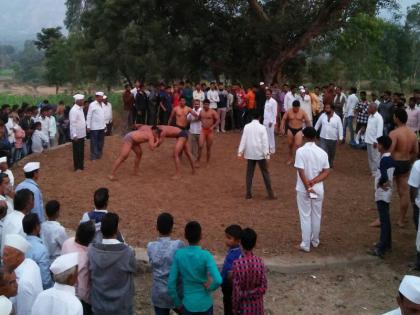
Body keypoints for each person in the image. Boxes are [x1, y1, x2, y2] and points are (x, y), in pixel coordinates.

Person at [168, 221, 222, 315]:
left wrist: (177, 303)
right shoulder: (206, 255)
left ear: (185, 236)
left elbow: (171, 284)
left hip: (188, 304)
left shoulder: (179, 255)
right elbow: (218, 280)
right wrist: (210, 288)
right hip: (205, 304)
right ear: (201, 236)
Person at [88, 212, 136, 315]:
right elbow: (133, 268)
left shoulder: (91, 250)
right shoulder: (127, 252)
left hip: (98, 307)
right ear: (116, 230)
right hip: (121, 307)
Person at [294, 127, 330, 252]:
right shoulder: (322, 152)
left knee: (305, 215)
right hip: (318, 188)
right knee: (316, 214)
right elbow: (326, 171)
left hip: (304, 189)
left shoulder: (300, 151)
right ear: (315, 137)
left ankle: (305, 244)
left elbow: (300, 170)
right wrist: (314, 181)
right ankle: (315, 241)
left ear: (304, 136)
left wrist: (308, 186)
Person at [147, 213, 184, 315]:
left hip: (159, 294)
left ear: (156, 228)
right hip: (177, 293)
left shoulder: (150, 246)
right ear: (172, 228)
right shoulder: (178, 245)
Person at [389, 109, 418, 228]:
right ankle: (401, 219)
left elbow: (389, 151)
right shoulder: (413, 134)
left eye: (394, 116)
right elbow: (416, 152)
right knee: (404, 192)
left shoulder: (394, 133)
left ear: (397, 118)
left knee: (385, 190)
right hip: (406, 163)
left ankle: (381, 219)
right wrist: (408, 160)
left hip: (394, 163)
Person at [368, 136, 395, 259]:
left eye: (378, 144)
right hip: (388, 192)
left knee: (383, 220)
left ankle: (381, 247)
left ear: (382, 146)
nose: (377, 146)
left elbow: (383, 175)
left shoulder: (383, 160)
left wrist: (380, 183)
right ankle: (387, 243)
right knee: (386, 218)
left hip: (382, 192)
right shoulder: (390, 159)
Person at [238, 111, 275, 200]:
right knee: (265, 173)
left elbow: (243, 139)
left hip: (250, 153)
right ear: (260, 117)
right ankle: (270, 194)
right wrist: (267, 155)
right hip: (260, 153)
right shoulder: (262, 128)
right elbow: (265, 142)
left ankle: (248, 193)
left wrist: (240, 152)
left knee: (249, 173)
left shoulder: (247, 127)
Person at [2, 234, 43, 315]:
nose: (2, 258)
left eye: (6, 255)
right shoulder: (30, 262)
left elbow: (24, 312)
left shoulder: (23, 283)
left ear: (18, 257)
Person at [62, 221, 96, 315]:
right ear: (91, 238)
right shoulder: (87, 256)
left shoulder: (67, 242)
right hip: (78, 299)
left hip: (63, 291)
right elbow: (82, 289)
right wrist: (88, 302)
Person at [232, 228, 267, 315]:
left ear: (240, 243)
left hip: (244, 309)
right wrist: (253, 292)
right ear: (255, 244)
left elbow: (236, 293)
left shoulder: (237, 264)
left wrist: (234, 310)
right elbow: (264, 287)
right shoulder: (260, 262)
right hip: (258, 307)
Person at [22, 213, 53, 289]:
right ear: (36, 227)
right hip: (37, 288)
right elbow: (45, 281)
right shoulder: (41, 249)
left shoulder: (21, 244)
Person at [280, 100, 312, 165]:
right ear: (292, 106)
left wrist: (310, 130)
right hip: (290, 129)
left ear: (299, 107)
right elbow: (283, 119)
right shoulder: (289, 111)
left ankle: (298, 160)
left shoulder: (302, 112)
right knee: (290, 145)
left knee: (298, 145)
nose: (295, 109)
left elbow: (307, 121)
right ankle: (290, 158)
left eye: (297, 108)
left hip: (299, 130)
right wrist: (281, 127)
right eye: (294, 108)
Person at [221, 224, 242, 315]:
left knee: (228, 304)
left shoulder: (236, 254)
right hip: (230, 285)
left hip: (230, 286)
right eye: (226, 237)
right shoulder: (234, 250)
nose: (226, 240)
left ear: (238, 241)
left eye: (229, 238)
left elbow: (231, 274)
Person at [314, 104, 343, 168]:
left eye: (327, 108)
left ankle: (330, 163)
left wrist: (340, 137)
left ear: (332, 109)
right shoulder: (323, 116)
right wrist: (313, 133)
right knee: (322, 152)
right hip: (323, 138)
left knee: (331, 153)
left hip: (333, 139)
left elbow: (340, 128)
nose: (325, 109)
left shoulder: (337, 118)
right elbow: (317, 124)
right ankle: (322, 165)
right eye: (325, 108)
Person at [196, 99, 219, 167]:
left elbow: (218, 120)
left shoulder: (212, 112)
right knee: (200, 146)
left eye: (207, 104)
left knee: (208, 147)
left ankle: (207, 162)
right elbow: (198, 118)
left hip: (210, 131)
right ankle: (198, 160)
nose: (206, 106)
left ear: (209, 105)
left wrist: (213, 126)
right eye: (204, 104)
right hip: (203, 130)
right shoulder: (201, 111)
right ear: (203, 104)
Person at [365, 103, 384, 176]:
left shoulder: (379, 118)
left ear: (374, 108)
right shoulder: (370, 116)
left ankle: (376, 171)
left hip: (374, 141)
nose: (368, 108)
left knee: (375, 157)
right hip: (368, 140)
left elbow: (379, 131)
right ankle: (372, 170)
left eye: (370, 107)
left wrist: (377, 141)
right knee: (370, 157)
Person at [86, 92, 106, 160]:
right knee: (94, 142)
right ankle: (93, 156)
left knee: (101, 142)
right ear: (97, 97)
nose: (102, 98)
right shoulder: (92, 105)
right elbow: (89, 115)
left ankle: (99, 154)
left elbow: (103, 115)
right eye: (100, 97)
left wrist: (105, 125)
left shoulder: (103, 104)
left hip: (102, 126)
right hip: (94, 127)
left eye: (102, 97)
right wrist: (88, 126)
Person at [69, 94, 87, 172]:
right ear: (78, 101)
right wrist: (74, 135)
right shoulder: (74, 110)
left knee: (81, 151)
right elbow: (72, 123)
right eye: (82, 100)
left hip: (82, 134)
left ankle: (81, 165)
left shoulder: (80, 108)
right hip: (77, 135)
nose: (83, 101)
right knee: (77, 151)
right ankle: (77, 167)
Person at [263, 89, 278, 154]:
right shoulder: (266, 101)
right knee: (265, 135)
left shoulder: (273, 102)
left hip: (270, 122)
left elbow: (274, 113)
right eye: (266, 94)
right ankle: (267, 148)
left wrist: (271, 121)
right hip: (265, 121)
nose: (267, 95)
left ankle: (272, 149)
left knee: (271, 135)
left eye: (268, 94)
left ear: (271, 94)